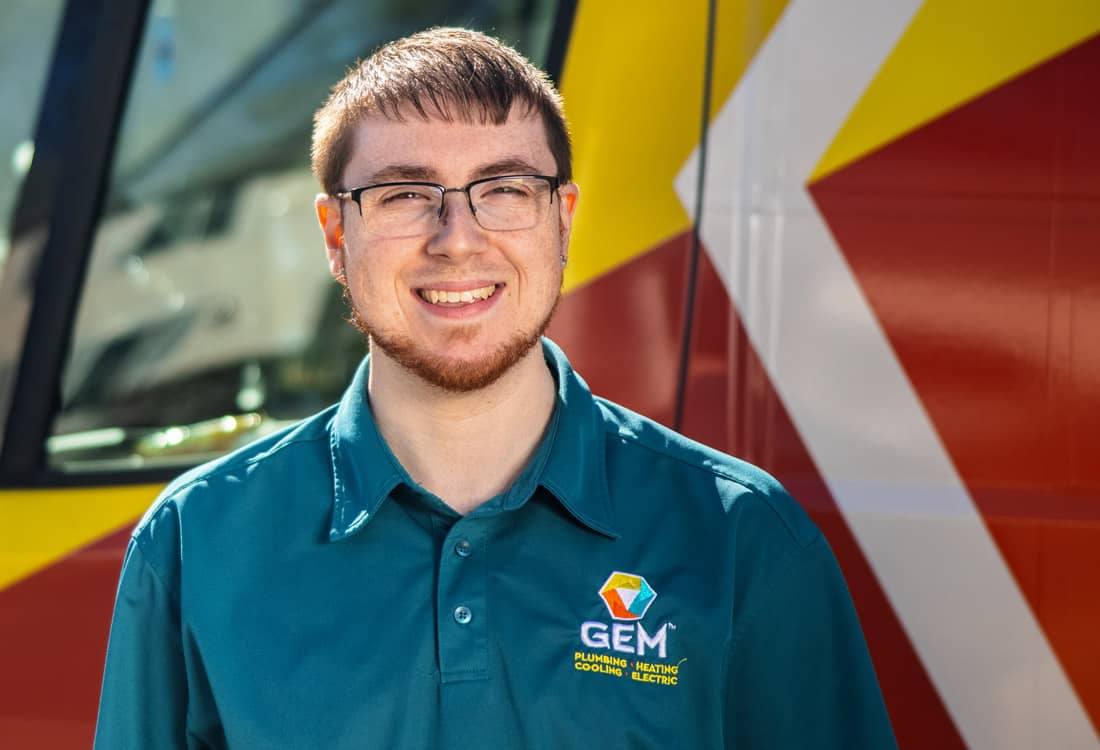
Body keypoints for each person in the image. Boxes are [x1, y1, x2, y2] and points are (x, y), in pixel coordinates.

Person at [94, 27, 897, 749]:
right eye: (406, 195)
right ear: (337, 235)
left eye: (504, 190)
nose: (458, 239)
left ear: (563, 220)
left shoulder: (741, 541)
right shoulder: (197, 544)